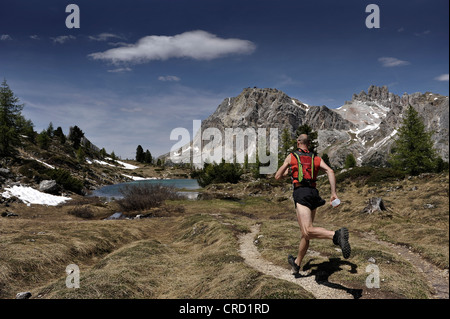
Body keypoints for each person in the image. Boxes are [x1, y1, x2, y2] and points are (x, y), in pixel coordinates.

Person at [275, 134, 351, 275]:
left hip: (301, 193)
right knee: (306, 233)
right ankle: (297, 263)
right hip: (313, 193)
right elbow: (330, 171)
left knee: (308, 231)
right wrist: (333, 193)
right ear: (308, 143)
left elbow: (278, 176)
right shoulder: (315, 158)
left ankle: (336, 235)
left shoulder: (292, 157)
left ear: (298, 142)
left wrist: (288, 168)